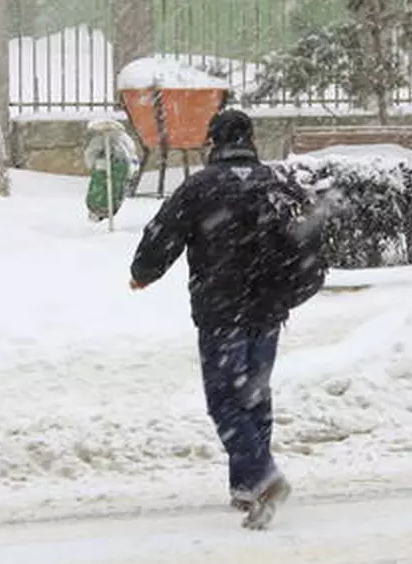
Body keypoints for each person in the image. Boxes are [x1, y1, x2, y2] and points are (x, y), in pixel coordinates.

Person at [129, 108, 325, 529]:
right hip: (268, 309)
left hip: (222, 312)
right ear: (251, 140)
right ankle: (245, 486)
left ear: (214, 142)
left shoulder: (200, 188)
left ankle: (262, 476)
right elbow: (308, 242)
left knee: (224, 400)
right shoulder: (276, 184)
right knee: (254, 394)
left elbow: (162, 235)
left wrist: (142, 274)